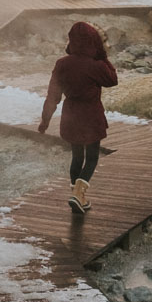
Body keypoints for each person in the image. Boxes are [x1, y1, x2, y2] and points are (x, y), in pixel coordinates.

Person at [38, 21, 117, 213]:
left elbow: (53, 95)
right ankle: (78, 195)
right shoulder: (95, 65)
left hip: (71, 114)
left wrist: (45, 121)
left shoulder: (62, 64)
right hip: (91, 115)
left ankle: (79, 198)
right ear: (92, 42)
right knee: (91, 158)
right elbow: (112, 80)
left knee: (76, 157)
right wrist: (103, 55)